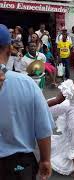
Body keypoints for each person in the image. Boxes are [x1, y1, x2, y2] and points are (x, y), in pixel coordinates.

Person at [0, 24, 54, 180]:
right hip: (19, 165)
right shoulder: (27, 84)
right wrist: (45, 160)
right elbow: (43, 129)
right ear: (9, 50)